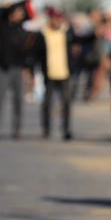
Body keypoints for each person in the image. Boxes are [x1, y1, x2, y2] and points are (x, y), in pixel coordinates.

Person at [0, 0, 35, 140]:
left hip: (18, 69)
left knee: (18, 101)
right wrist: (6, 6)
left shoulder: (23, 30)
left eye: (22, 13)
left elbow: (27, 53)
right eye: (17, 12)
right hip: (3, 68)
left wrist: (27, 70)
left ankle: (17, 130)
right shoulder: (2, 26)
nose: (20, 15)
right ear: (11, 14)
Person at [38, 7, 74, 140]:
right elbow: (37, 53)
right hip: (49, 73)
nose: (57, 21)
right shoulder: (43, 33)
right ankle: (46, 129)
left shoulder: (66, 32)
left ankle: (66, 129)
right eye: (55, 19)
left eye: (59, 19)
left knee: (66, 103)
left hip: (64, 73)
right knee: (47, 103)